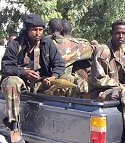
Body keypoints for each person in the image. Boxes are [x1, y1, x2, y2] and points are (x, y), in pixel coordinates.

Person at [1, 13, 65, 143]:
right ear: (27, 30)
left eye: (40, 30)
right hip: (20, 82)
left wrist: (53, 77)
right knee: (12, 82)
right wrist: (23, 72)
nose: (38, 33)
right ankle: (13, 126)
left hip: (41, 82)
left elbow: (59, 64)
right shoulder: (15, 44)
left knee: (69, 82)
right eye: (34, 30)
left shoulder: (48, 44)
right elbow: (6, 67)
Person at [47, 18, 93, 97]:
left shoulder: (43, 42)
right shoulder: (77, 45)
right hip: (64, 84)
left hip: (49, 83)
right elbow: (93, 50)